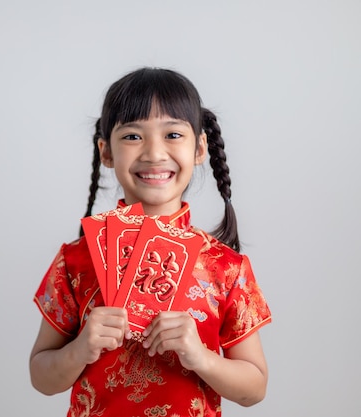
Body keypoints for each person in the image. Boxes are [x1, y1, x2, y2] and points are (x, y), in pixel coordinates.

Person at [29, 67, 272, 417]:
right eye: (132, 136)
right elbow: (41, 376)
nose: (154, 153)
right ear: (106, 152)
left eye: (173, 134)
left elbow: (255, 388)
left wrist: (201, 357)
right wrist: (80, 349)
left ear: (200, 148)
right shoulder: (75, 260)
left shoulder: (226, 267)